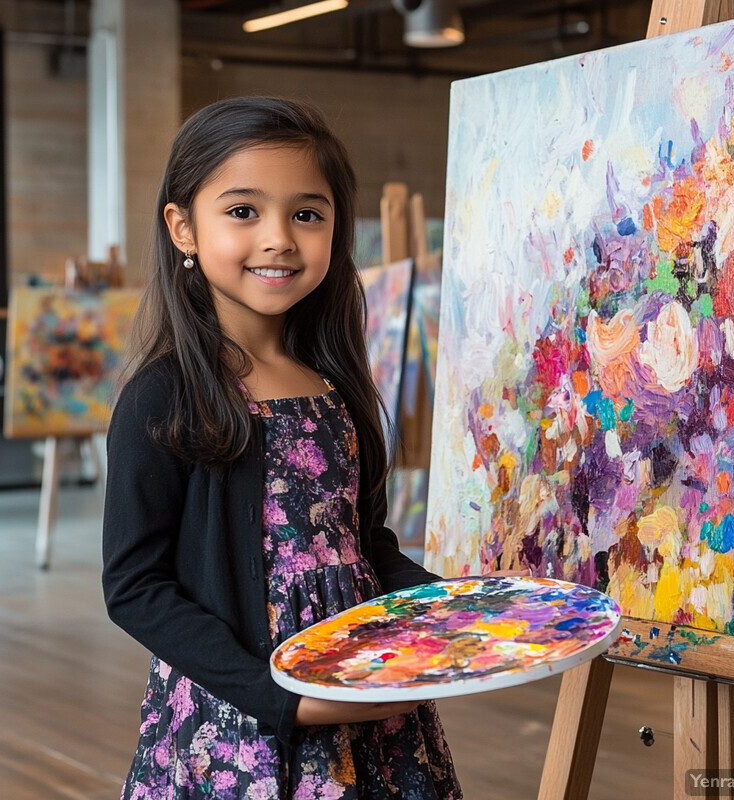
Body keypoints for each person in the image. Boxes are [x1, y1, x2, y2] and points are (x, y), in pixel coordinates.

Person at [103, 95, 504, 799]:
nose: (280, 238)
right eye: (243, 211)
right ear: (183, 228)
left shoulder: (335, 386)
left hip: (369, 704)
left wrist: (453, 610)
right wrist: (280, 697)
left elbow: (364, 545)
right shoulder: (163, 397)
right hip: (242, 719)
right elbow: (136, 587)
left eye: (307, 214)